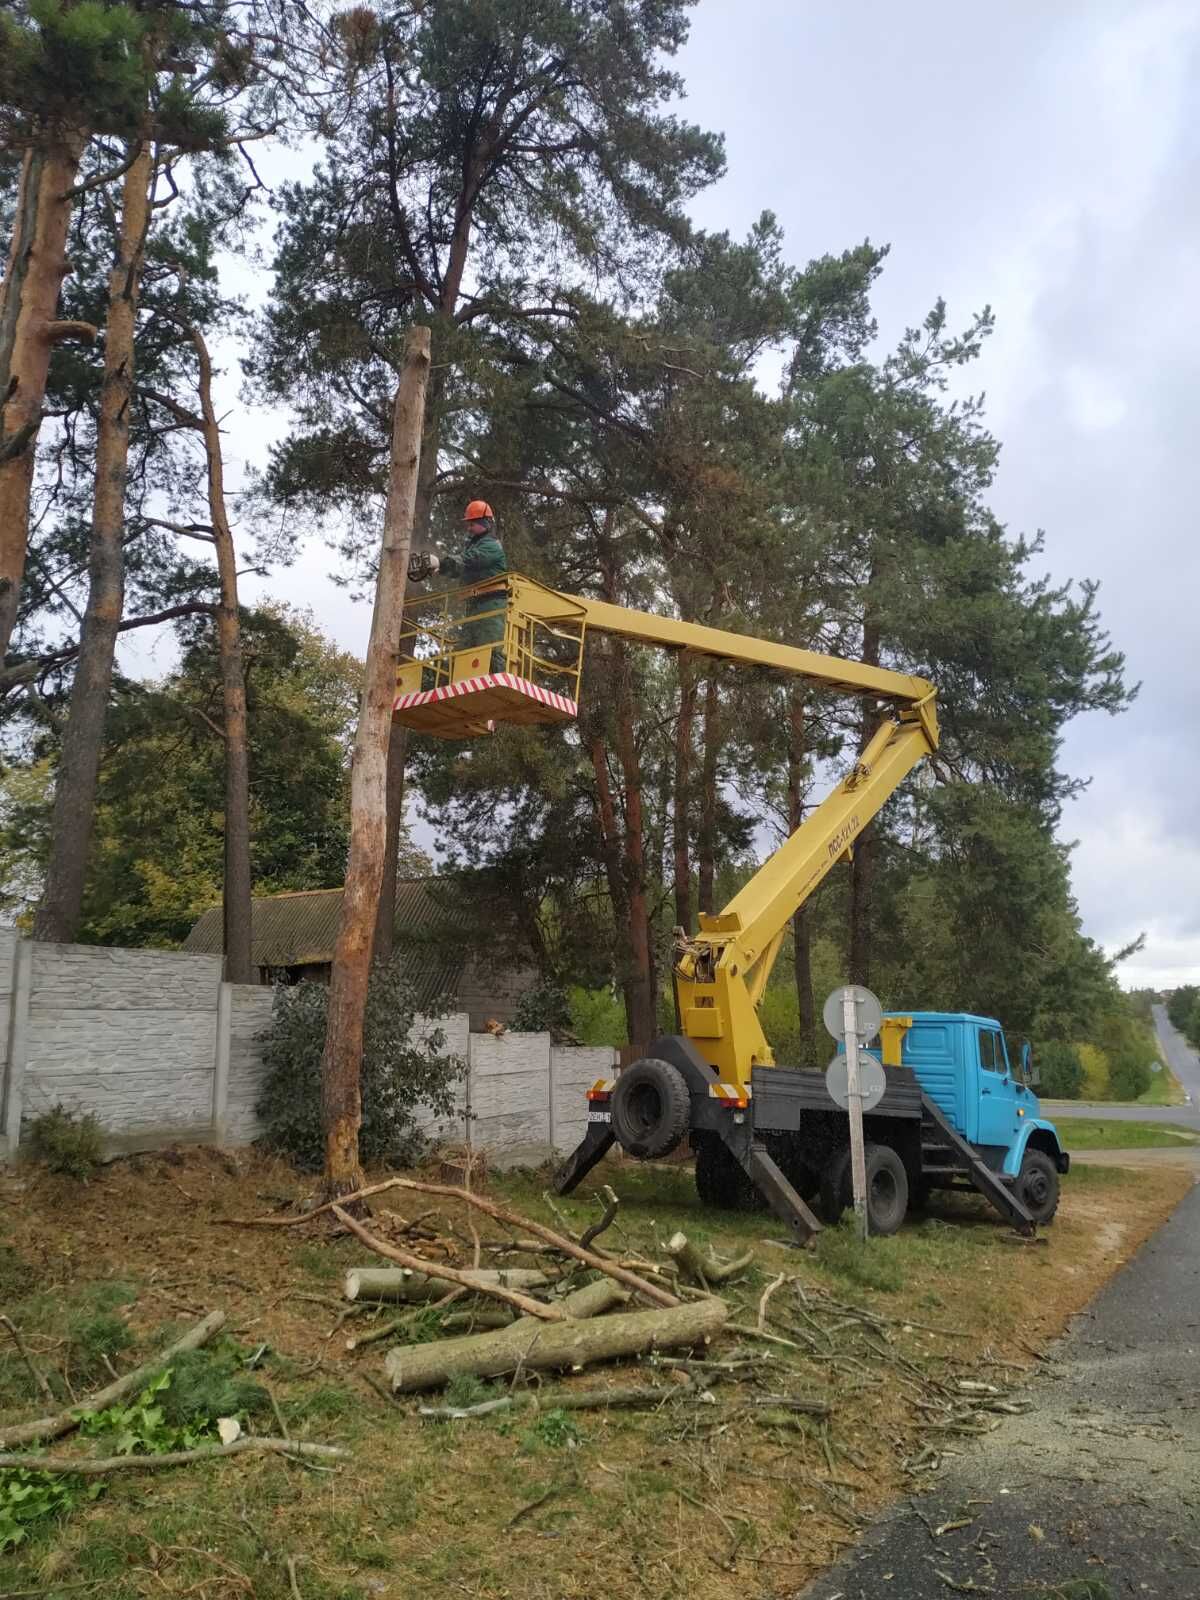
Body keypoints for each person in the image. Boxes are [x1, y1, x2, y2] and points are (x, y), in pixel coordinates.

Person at [408, 500, 508, 669]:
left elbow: (468, 561)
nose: (469, 527)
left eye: (472, 523)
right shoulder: (475, 545)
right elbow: (461, 567)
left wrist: (440, 562)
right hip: (475, 607)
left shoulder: (491, 547)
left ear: (486, 523)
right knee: (462, 655)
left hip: (491, 607)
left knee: (489, 651)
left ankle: (497, 680)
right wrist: (439, 568)